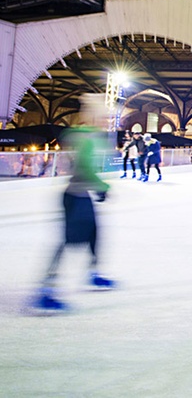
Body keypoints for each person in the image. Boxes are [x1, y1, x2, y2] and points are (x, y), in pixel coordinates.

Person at [33, 94, 114, 313]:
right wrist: (101, 187)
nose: (106, 122)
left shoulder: (88, 137)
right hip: (76, 196)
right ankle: (46, 290)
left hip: (81, 194)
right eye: (104, 117)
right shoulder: (85, 138)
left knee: (95, 234)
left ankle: (94, 273)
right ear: (93, 117)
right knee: (68, 242)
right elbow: (84, 168)